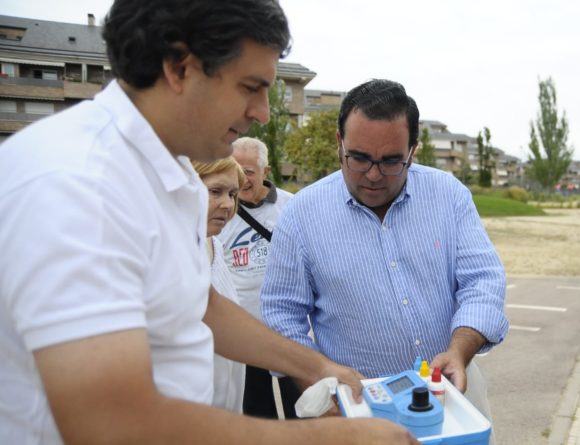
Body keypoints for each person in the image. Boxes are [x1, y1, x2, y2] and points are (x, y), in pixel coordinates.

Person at [0, 0, 418, 443]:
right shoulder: (78, 184)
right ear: (180, 68)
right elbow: (110, 423)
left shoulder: (171, 171)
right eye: (251, 87)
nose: (262, 112)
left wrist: (314, 365)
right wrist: (334, 438)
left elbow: (198, 303)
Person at [260, 79, 509, 417]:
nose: (374, 175)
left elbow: (482, 280)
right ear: (339, 142)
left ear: (413, 150)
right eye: (359, 158)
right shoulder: (301, 215)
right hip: (357, 404)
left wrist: (459, 350)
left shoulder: (448, 195)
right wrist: (321, 387)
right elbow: (281, 316)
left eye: (392, 161)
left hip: (452, 388)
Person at [219, 137, 300, 418]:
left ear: (266, 172)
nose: (241, 178)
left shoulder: (292, 206)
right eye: (235, 169)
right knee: (255, 410)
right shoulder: (221, 212)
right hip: (246, 335)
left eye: (249, 171)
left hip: (289, 331)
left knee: (301, 408)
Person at [192, 157, 248, 412]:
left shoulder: (215, 245)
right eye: (215, 191)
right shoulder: (170, 253)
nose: (228, 204)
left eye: (233, 194)